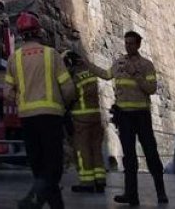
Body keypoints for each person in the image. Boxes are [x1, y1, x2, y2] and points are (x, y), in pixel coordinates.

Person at [5, 12, 75, 209]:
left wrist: (22, 100)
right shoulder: (51, 55)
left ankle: (52, 204)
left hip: (27, 118)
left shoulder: (14, 59)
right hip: (51, 117)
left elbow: (8, 92)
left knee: (38, 165)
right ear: (38, 32)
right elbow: (68, 88)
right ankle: (34, 200)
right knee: (53, 166)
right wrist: (63, 104)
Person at [109, 30, 167, 206]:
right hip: (124, 116)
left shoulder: (147, 65)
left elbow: (151, 88)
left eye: (131, 43)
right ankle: (131, 196)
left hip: (141, 115)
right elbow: (106, 74)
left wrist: (136, 74)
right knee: (129, 157)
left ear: (138, 44)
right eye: (126, 43)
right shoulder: (119, 63)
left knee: (151, 154)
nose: (128, 46)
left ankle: (161, 193)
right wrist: (86, 64)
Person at [62, 50, 110, 193]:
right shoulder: (91, 74)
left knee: (83, 151)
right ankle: (100, 180)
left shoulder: (75, 77)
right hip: (95, 116)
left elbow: (69, 96)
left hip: (81, 119)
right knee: (96, 149)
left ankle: (86, 183)